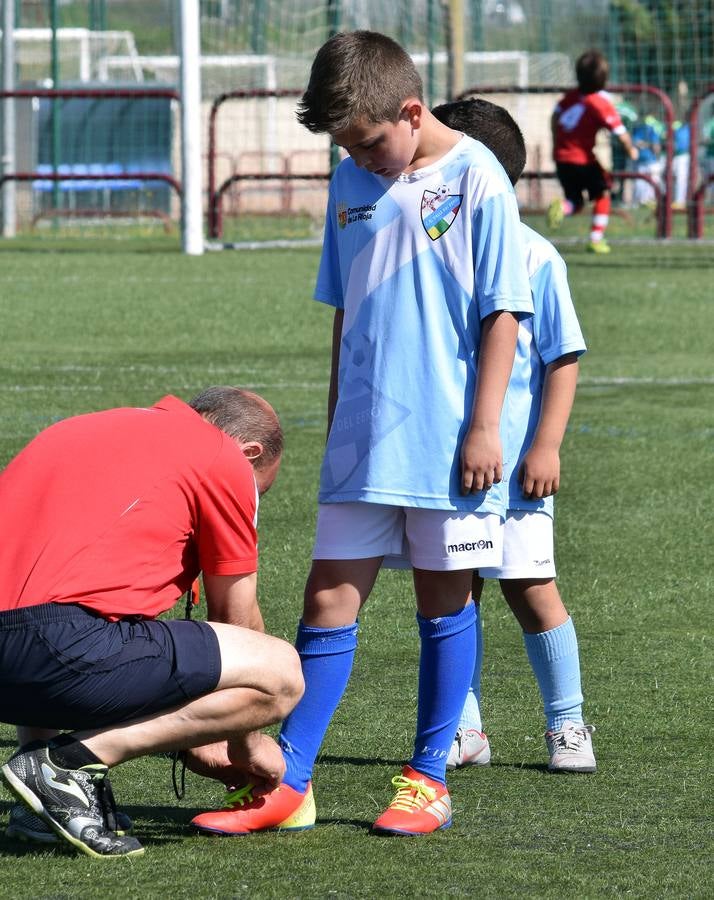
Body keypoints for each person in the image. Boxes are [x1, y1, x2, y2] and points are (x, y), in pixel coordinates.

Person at [190, 30, 533, 838]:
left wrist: (486, 427)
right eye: (347, 145)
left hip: (450, 440)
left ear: (411, 112)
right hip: (364, 437)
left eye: (371, 140)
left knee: (442, 601)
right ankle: (290, 782)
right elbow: (348, 308)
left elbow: (505, 313)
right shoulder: (351, 178)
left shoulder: (477, 177)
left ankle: (426, 779)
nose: (361, 157)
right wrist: (344, 412)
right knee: (327, 602)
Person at [0, 387, 304, 858]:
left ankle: (38, 803)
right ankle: (66, 765)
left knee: (54, 610)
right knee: (280, 674)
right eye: (258, 490)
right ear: (250, 452)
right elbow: (235, 618)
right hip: (54, 645)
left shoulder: (79, 427)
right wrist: (242, 740)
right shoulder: (220, 456)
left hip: (17, 670)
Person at [430, 98, 595, 774]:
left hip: (517, 471)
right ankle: (464, 730)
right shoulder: (432, 247)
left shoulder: (535, 255)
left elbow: (563, 357)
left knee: (531, 589)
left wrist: (546, 445)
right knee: (453, 589)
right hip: (447, 463)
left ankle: (567, 724)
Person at [547, 49, 638, 254]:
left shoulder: (568, 99)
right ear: (603, 79)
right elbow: (620, 132)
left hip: (562, 158)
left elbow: (555, 118)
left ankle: (563, 206)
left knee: (576, 202)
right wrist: (631, 150)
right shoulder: (600, 104)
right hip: (583, 159)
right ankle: (596, 239)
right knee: (603, 192)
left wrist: (556, 142)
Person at [631, 114, 663, 207]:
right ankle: (648, 201)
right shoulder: (651, 130)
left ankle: (643, 201)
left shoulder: (639, 130)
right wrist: (650, 145)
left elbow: (636, 143)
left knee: (642, 182)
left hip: (642, 160)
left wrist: (645, 144)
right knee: (651, 181)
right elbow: (656, 148)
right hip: (650, 161)